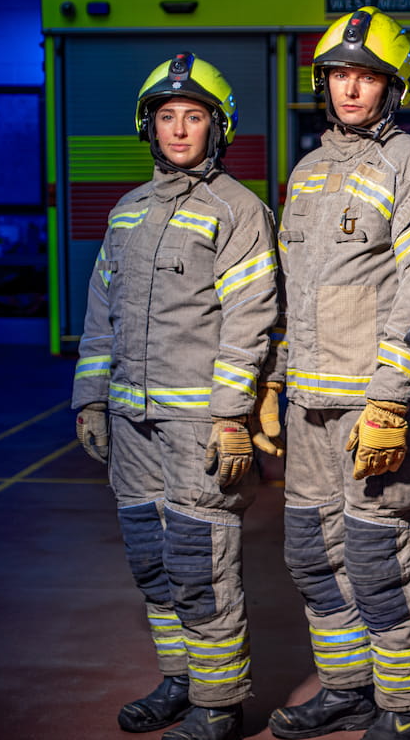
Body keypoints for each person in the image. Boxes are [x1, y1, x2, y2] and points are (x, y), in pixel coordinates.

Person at [72, 53, 280, 740]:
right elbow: (102, 311)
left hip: (198, 428)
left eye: (194, 117)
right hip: (131, 426)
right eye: (168, 117)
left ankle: (219, 704)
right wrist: (90, 397)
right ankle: (180, 679)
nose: (180, 129)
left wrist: (230, 416)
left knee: (201, 562)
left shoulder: (238, 211)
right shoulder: (127, 213)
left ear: (217, 128)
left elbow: (252, 319)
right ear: (149, 127)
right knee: (151, 559)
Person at [265, 6, 410, 740]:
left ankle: (404, 711)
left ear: (393, 86)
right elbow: (298, 289)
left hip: (374, 404)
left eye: (366, 76)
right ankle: (347, 689)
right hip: (308, 400)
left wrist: (389, 401)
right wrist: (276, 384)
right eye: (339, 75)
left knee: (380, 557)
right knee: (313, 553)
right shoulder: (310, 170)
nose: (350, 89)